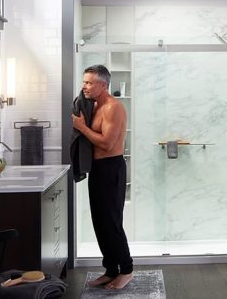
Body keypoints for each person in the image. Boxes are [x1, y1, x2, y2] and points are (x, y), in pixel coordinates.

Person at [72, 65, 134, 289]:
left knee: (112, 222)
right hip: (98, 169)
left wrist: (81, 127)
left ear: (103, 85)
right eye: (84, 82)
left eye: (89, 83)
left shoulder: (112, 108)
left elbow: (107, 143)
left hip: (112, 168)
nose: (84, 86)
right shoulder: (94, 107)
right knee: (100, 222)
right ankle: (111, 269)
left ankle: (126, 270)